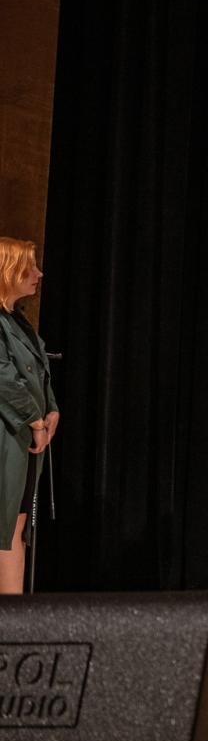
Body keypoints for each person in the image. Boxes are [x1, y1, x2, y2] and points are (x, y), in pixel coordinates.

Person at [0, 238, 58, 595]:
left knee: (14, 529)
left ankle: (13, 616)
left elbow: (37, 371)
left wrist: (51, 409)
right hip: (7, 434)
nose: (38, 273)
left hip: (21, 440)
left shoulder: (17, 321)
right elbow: (3, 376)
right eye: (30, 267)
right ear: (9, 271)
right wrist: (34, 420)